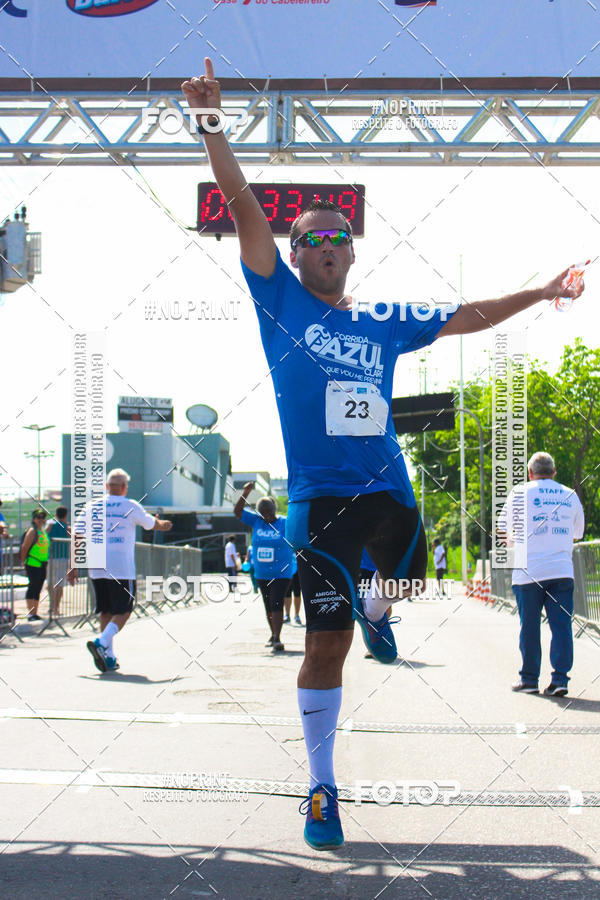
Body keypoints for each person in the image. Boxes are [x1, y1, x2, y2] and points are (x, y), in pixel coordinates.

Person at [182, 58, 585, 850]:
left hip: (390, 497)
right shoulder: (279, 301)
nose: (326, 245)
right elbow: (242, 207)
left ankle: (379, 604)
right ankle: (321, 787)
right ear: (294, 258)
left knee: (407, 578)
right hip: (319, 502)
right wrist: (212, 126)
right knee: (323, 644)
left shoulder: (384, 319)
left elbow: (468, 314)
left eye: (337, 238)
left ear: (352, 256)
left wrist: (539, 293)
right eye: (311, 239)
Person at [68, 468, 172, 673]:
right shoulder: (130, 505)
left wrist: (73, 566)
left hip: (96, 564)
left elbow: (77, 535)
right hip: (120, 566)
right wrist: (165, 524)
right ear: (124, 487)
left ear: (107, 487)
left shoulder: (92, 506)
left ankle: (109, 656)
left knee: (105, 610)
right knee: (124, 610)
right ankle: (102, 641)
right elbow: (153, 525)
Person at [500, 452, 585, 697]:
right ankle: (560, 680)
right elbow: (577, 533)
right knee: (561, 626)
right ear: (554, 472)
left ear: (530, 472)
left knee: (529, 626)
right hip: (561, 571)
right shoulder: (569, 494)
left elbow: (504, 531)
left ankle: (529, 680)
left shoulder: (519, 493)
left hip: (528, 573)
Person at [235, 481, 295, 652]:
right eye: (263, 513)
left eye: (269, 512)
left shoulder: (284, 523)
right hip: (261, 573)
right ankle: (273, 633)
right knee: (268, 604)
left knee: (276, 602)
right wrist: (245, 493)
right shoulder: (257, 522)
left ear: (275, 509)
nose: (266, 516)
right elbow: (237, 512)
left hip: (282, 572)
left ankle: (277, 638)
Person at [20, 508, 49, 621]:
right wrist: (23, 562)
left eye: (43, 517)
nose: (41, 519)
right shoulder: (32, 531)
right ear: (34, 519)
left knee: (38, 587)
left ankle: (35, 612)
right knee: (33, 586)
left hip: (42, 564)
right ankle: (31, 613)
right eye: (38, 517)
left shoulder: (43, 531)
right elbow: (24, 548)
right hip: (33, 563)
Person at [47, 506, 70, 617]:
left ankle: (51, 607)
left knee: (51, 584)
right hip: (62, 558)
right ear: (65, 515)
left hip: (50, 558)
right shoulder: (67, 527)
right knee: (59, 585)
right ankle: (56, 608)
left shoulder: (50, 525)